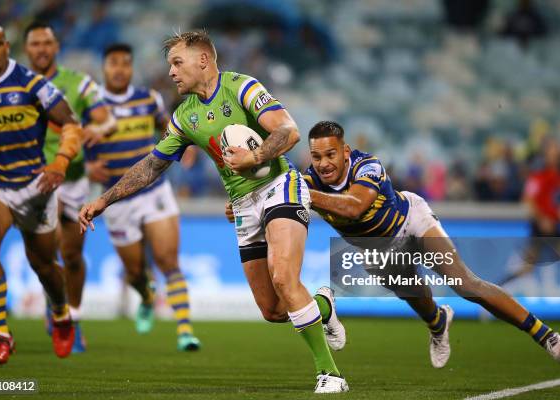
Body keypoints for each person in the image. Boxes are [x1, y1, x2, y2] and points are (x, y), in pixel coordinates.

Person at [79, 31, 348, 393]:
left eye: (177, 62)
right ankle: (323, 307)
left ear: (203, 60)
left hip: (280, 187)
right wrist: (104, 199)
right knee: (273, 310)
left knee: (284, 278)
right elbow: (152, 166)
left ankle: (329, 375)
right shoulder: (184, 116)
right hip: (241, 205)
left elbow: (288, 130)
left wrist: (254, 156)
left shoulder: (242, 88)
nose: (171, 72)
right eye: (169, 65)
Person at [281, 121, 560, 367]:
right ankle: (438, 323)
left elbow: (355, 207)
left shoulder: (367, 165)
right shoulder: (307, 183)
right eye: (316, 157)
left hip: (412, 222)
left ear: (345, 151)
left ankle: (545, 335)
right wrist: (242, 207)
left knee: (465, 283)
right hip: (378, 251)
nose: (323, 164)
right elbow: (275, 200)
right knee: (419, 297)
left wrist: (304, 193)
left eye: (330, 154)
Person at [0, 20, 83, 364]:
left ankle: (61, 313)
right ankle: (2, 335)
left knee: (44, 264)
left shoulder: (32, 83)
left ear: (7, 47)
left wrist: (60, 163)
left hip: (35, 185)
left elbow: (71, 123)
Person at [84, 43, 200, 350]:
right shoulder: (90, 105)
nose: (120, 69)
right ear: (104, 67)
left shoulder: (149, 98)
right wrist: (85, 166)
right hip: (116, 200)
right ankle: (146, 296)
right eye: (113, 63)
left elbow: (168, 128)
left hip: (154, 191)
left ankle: (185, 330)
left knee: (168, 261)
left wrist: (184, 146)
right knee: (135, 271)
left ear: (131, 67)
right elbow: (73, 141)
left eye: (125, 63)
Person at [24, 20, 117, 353]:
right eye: (35, 44)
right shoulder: (17, 86)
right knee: (47, 252)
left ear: (56, 47)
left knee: (72, 256)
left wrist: (98, 129)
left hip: (74, 178)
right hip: (35, 177)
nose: (41, 49)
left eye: (47, 43)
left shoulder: (79, 83)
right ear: (26, 49)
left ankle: (71, 317)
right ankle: (58, 305)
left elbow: (107, 118)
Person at [499, 138, 560, 297]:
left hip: (553, 225)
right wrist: (542, 218)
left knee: (527, 269)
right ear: (545, 154)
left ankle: (496, 289)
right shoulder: (540, 175)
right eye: (552, 149)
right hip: (544, 226)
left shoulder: (557, 175)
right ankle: (495, 291)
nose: (556, 152)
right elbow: (528, 199)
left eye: (556, 149)